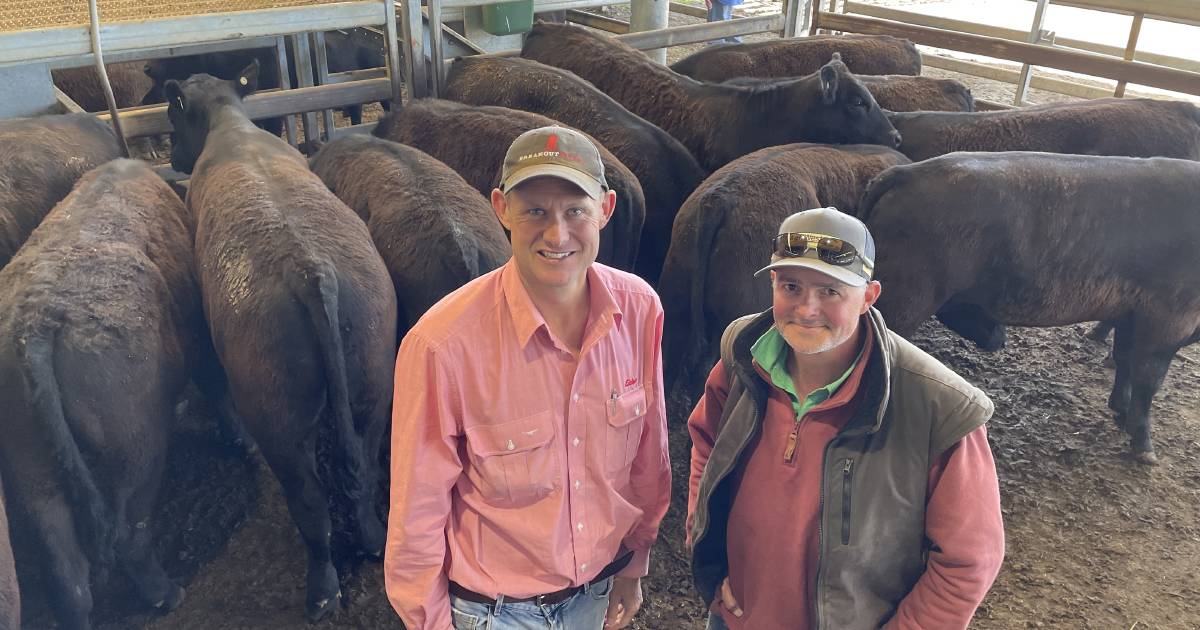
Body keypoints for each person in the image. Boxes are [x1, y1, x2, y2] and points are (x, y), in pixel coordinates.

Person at [385, 126, 672, 630]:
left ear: (605, 209)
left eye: (575, 210)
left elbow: (650, 453)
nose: (557, 234)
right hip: (494, 613)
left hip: (597, 592)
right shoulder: (441, 345)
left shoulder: (639, 307)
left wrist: (636, 560)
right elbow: (417, 510)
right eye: (535, 210)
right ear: (501, 208)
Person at [685, 207, 1005, 629]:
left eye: (831, 291)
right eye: (791, 286)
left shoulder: (938, 407)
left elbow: (968, 560)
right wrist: (708, 553)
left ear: (869, 295)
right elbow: (707, 444)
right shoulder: (742, 356)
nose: (806, 309)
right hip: (735, 615)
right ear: (772, 284)